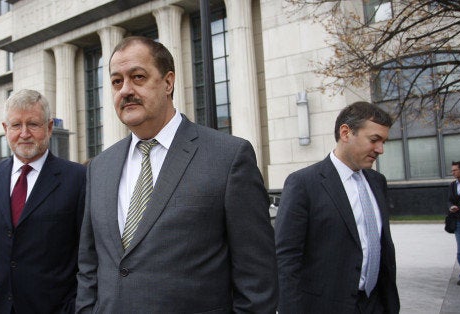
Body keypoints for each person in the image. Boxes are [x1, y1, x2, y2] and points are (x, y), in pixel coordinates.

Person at [76, 36, 278, 313]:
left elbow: (257, 277)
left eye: (138, 77)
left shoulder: (228, 158)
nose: (125, 90)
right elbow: (89, 264)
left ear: (168, 82)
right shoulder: (99, 167)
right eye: (116, 82)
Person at [0, 89, 86, 313]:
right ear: (5, 129)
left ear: (49, 127)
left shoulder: (78, 179)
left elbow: (89, 257)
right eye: (16, 125)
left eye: (33, 124)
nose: (24, 133)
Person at [275, 101, 400, 313]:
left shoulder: (378, 182)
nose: (380, 149)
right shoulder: (303, 184)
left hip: (375, 304)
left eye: (384, 142)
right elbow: (286, 258)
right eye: (374, 140)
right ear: (345, 132)